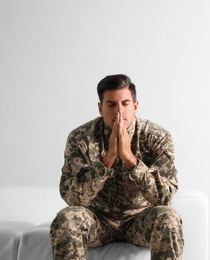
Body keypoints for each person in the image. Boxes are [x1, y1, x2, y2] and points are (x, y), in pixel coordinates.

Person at [49, 74, 184, 260]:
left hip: (139, 219)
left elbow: (164, 196)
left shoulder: (157, 137)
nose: (119, 111)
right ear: (100, 108)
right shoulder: (80, 138)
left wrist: (130, 159)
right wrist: (108, 158)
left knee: (169, 217)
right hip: (98, 219)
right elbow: (73, 197)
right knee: (67, 218)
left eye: (125, 104)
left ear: (135, 106)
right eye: (111, 105)